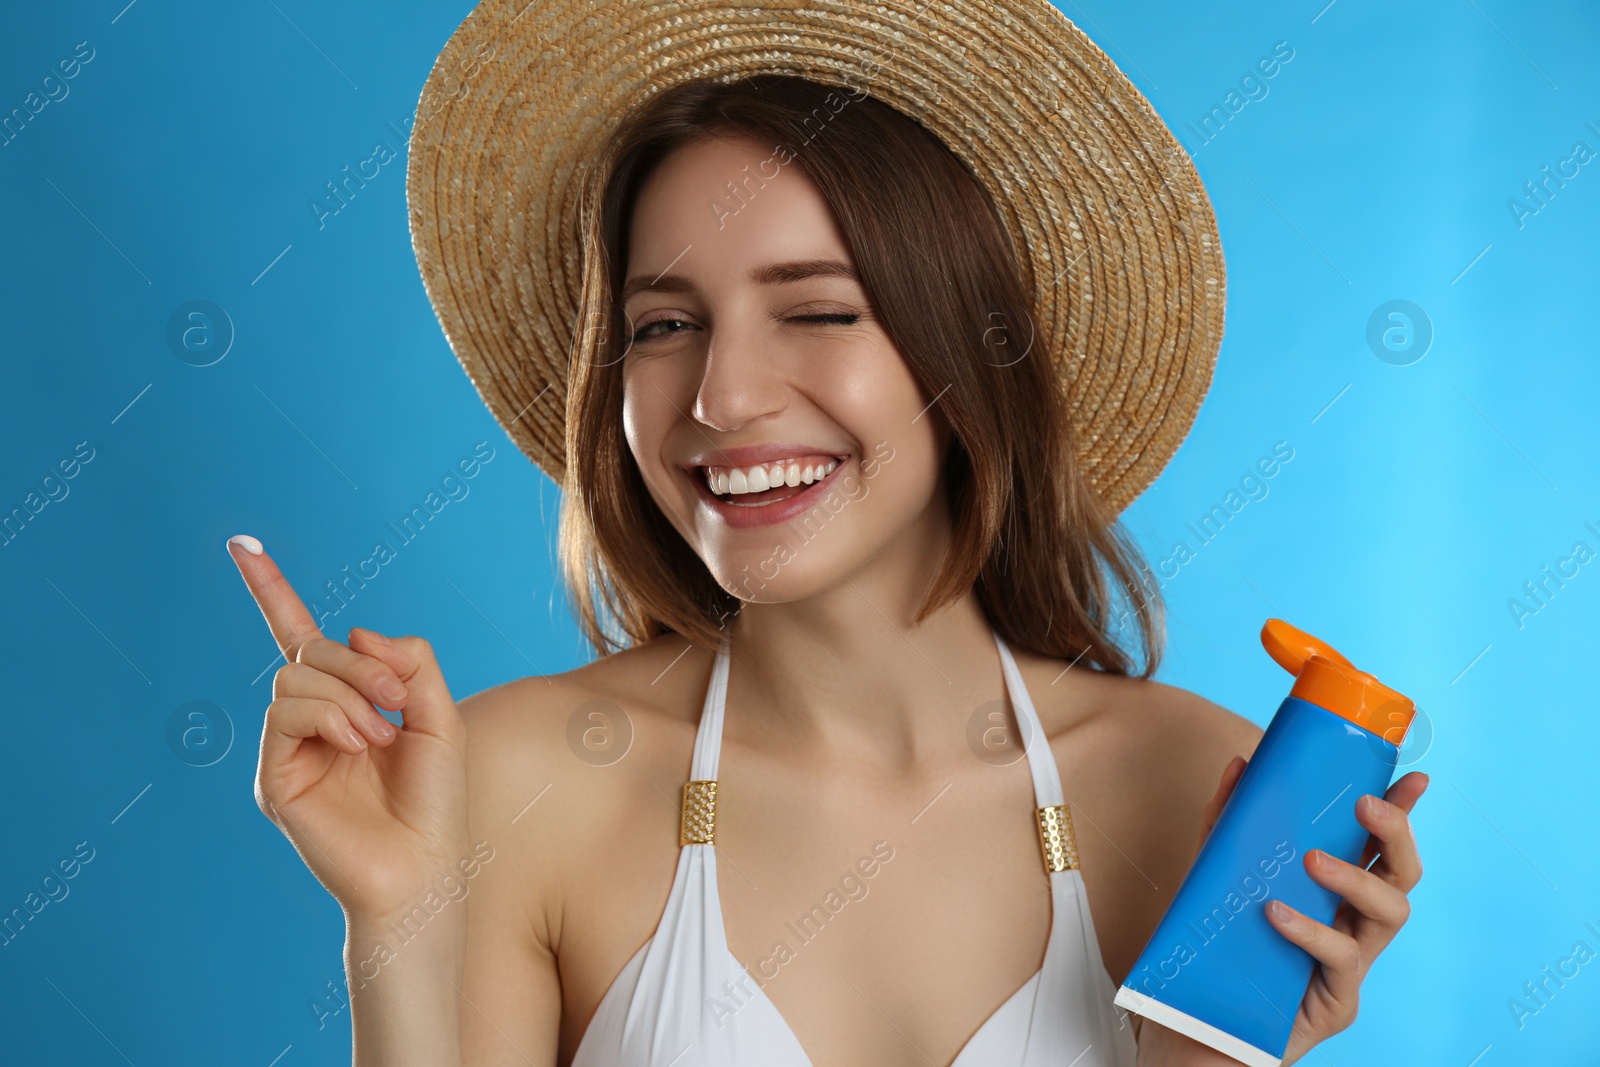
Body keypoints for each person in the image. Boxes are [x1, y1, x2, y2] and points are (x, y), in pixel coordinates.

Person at [227, 3, 1428, 1065]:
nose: (721, 396)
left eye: (815, 309)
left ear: (968, 353)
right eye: (662, 325)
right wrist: (396, 915)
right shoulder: (517, 779)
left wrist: (1209, 1059)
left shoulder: (1194, 790)